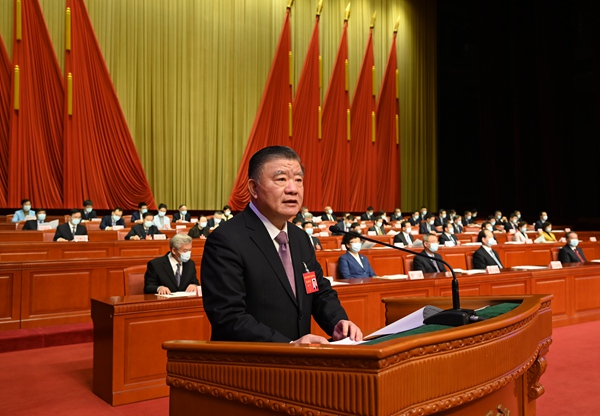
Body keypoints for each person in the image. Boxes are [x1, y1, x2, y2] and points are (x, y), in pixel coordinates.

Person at [201, 146, 362, 344]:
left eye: (298, 180)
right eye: (281, 179)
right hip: (254, 360)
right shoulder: (226, 240)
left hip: (299, 359)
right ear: (253, 188)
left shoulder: (300, 238)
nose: (292, 189)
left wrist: (338, 321)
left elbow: (318, 290)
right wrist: (288, 346)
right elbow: (228, 317)